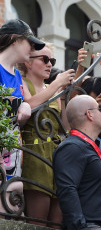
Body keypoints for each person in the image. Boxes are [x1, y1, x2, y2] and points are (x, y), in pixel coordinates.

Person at [17, 42, 75, 227]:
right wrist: (57, 84)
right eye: (45, 59)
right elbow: (29, 104)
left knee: (56, 222)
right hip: (35, 154)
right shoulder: (22, 82)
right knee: (38, 221)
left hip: (56, 156)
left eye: (52, 60)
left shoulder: (52, 89)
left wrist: (64, 95)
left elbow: (63, 127)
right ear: (28, 62)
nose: (50, 64)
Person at [53, 95, 101, 230]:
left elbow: (97, 194)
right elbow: (67, 190)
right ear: (89, 114)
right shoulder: (72, 147)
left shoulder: (86, 147)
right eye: (99, 109)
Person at [0, 19, 45, 216]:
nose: (33, 49)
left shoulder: (17, 75)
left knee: (11, 193)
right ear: (15, 40)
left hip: (14, 150)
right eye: (30, 43)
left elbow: (20, 114)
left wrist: (25, 104)